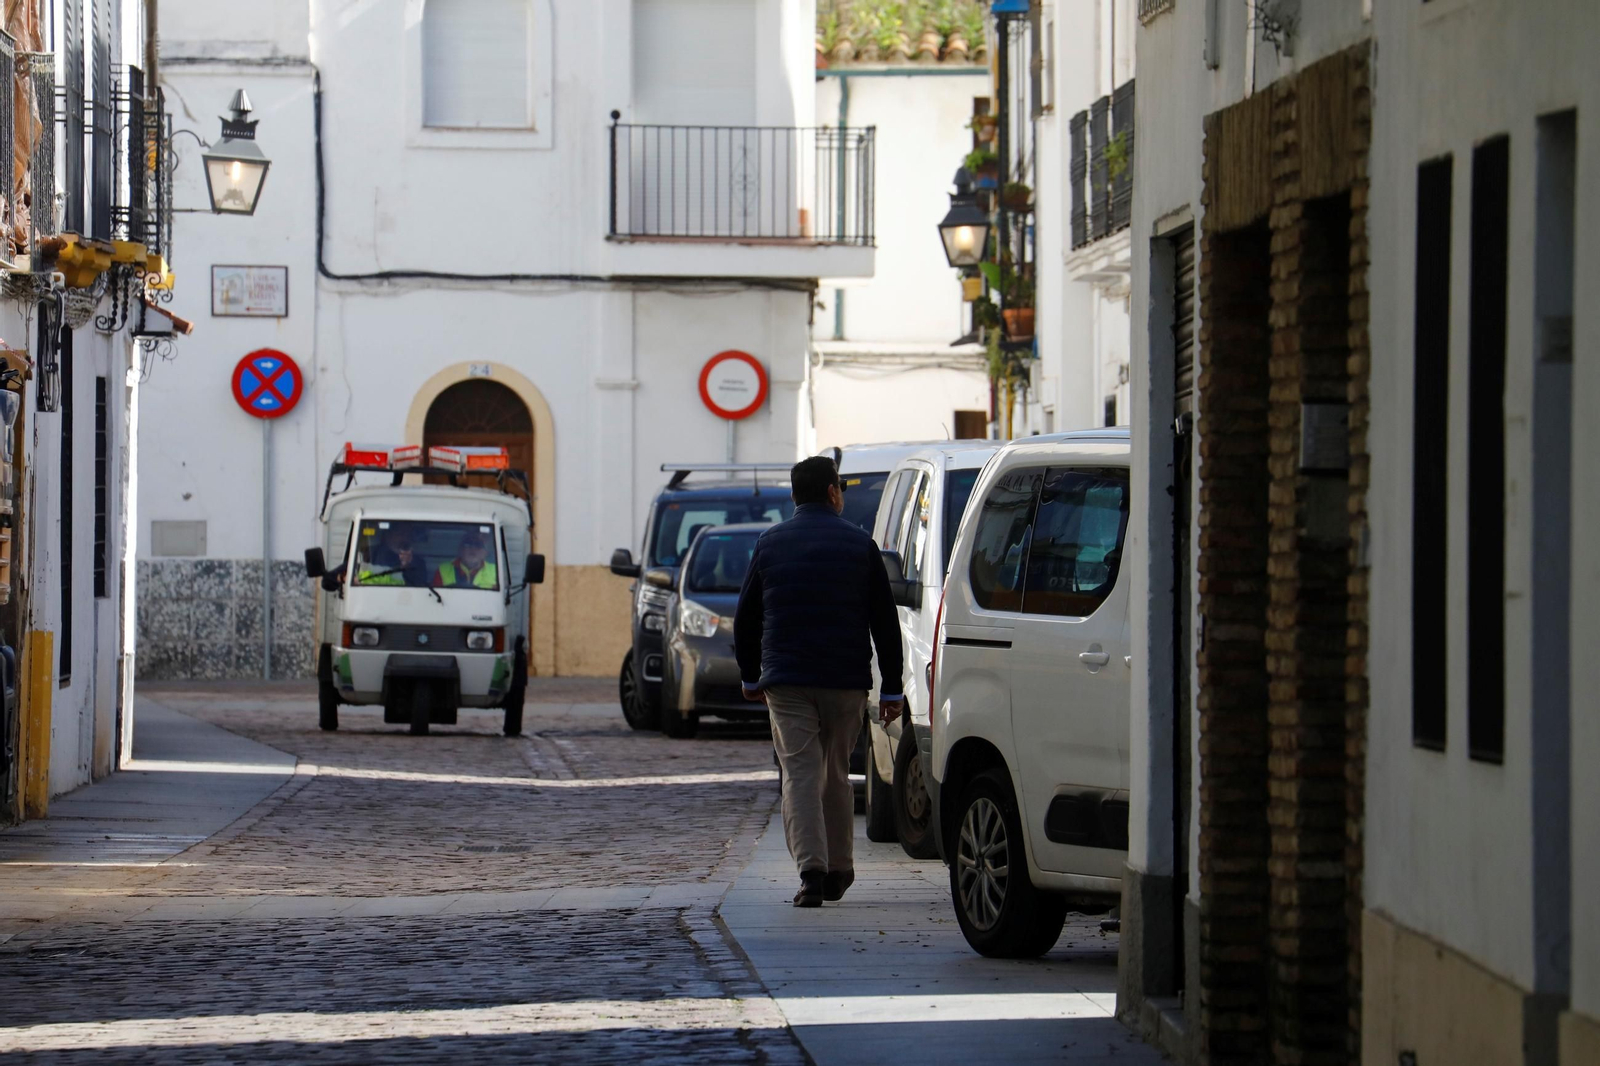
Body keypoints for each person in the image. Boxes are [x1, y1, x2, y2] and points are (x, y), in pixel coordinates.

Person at [734, 456, 905, 908]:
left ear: (794, 496)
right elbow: (884, 621)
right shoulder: (859, 544)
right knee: (835, 773)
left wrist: (751, 675)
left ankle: (812, 871)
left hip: (787, 681)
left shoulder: (769, 543)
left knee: (800, 774)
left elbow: (746, 617)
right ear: (833, 493)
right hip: (845, 680)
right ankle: (840, 868)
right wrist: (892, 687)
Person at [358, 526, 426, 587]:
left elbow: (419, 588)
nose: (404, 538)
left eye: (407, 535)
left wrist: (407, 567)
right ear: (388, 535)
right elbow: (356, 574)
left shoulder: (417, 562)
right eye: (400, 534)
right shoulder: (369, 552)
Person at [433, 529, 497, 588]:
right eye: (468, 544)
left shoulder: (496, 571)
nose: (473, 548)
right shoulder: (443, 570)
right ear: (460, 550)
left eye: (478, 545)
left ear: (486, 553)